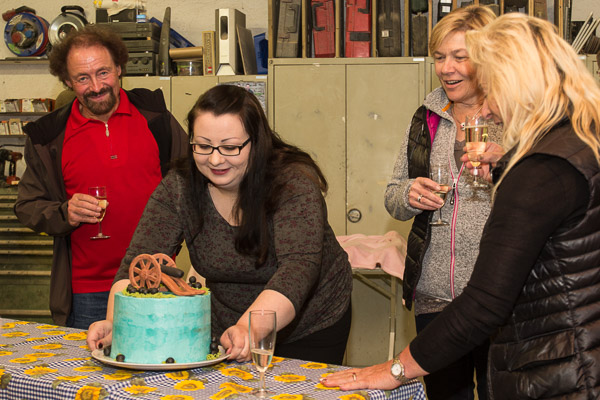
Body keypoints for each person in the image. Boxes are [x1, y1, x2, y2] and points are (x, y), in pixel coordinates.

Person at [323, 13, 600, 399]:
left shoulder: (540, 169)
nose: (484, 111)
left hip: (557, 366)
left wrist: (395, 369)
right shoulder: (578, 143)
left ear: (515, 83)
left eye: (490, 87)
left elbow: (485, 303)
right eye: (440, 57)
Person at [87, 84, 353, 364]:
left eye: (230, 147)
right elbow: (139, 261)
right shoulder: (178, 188)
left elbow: (297, 269)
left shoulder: (292, 185)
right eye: (203, 146)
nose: (215, 159)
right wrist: (116, 322)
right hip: (228, 328)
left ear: (256, 142)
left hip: (310, 326)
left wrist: (248, 328)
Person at [14, 25, 188, 329]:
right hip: (87, 292)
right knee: (89, 362)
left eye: (103, 73)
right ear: (67, 81)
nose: (96, 86)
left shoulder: (156, 118)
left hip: (156, 279)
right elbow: (27, 205)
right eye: (82, 78)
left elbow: (193, 181)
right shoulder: (49, 137)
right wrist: (64, 212)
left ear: (119, 68)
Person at [383, 5, 500, 399]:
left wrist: (503, 167)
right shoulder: (426, 118)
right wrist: (409, 195)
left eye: (460, 57)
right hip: (435, 298)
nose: (446, 69)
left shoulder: (515, 118)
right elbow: (393, 195)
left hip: (499, 296)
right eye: (439, 57)